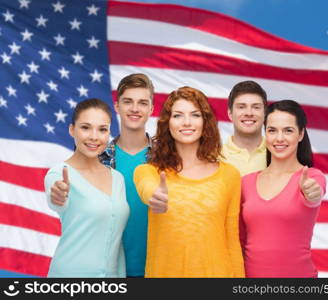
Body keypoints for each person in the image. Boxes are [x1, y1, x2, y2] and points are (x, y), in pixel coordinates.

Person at [134, 86, 244, 278]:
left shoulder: (230, 176)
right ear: (167, 123)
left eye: (195, 115)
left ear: (205, 122)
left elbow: (232, 242)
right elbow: (147, 189)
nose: (186, 122)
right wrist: (154, 196)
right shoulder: (148, 172)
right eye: (177, 116)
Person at [239, 99, 326, 278]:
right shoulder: (246, 183)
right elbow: (240, 239)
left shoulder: (311, 177)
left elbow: (314, 195)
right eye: (272, 130)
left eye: (288, 130)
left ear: (301, 134)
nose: (279, 138)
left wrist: (312, 194)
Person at [44, 98, 129, 277]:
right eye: (85, 127)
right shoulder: (58, 175)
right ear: (72, 130)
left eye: (102, 129)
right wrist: (58, 195)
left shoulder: (117, 178)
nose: (94, 136)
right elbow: (57, 200)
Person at [99, 73, 154, 277]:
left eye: (142, 103)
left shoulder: (168, 158)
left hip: (157, 270)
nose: (134, 109)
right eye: (128, 101)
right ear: (117, 106)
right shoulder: (98, 157)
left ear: (151, 109)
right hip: (110, 272)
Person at [221, 80, 268, 176]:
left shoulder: (278, 154)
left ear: (265, 113)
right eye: (241, 107)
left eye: (256, 107)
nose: (249, 113)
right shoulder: (215, 157)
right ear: (230, 114)